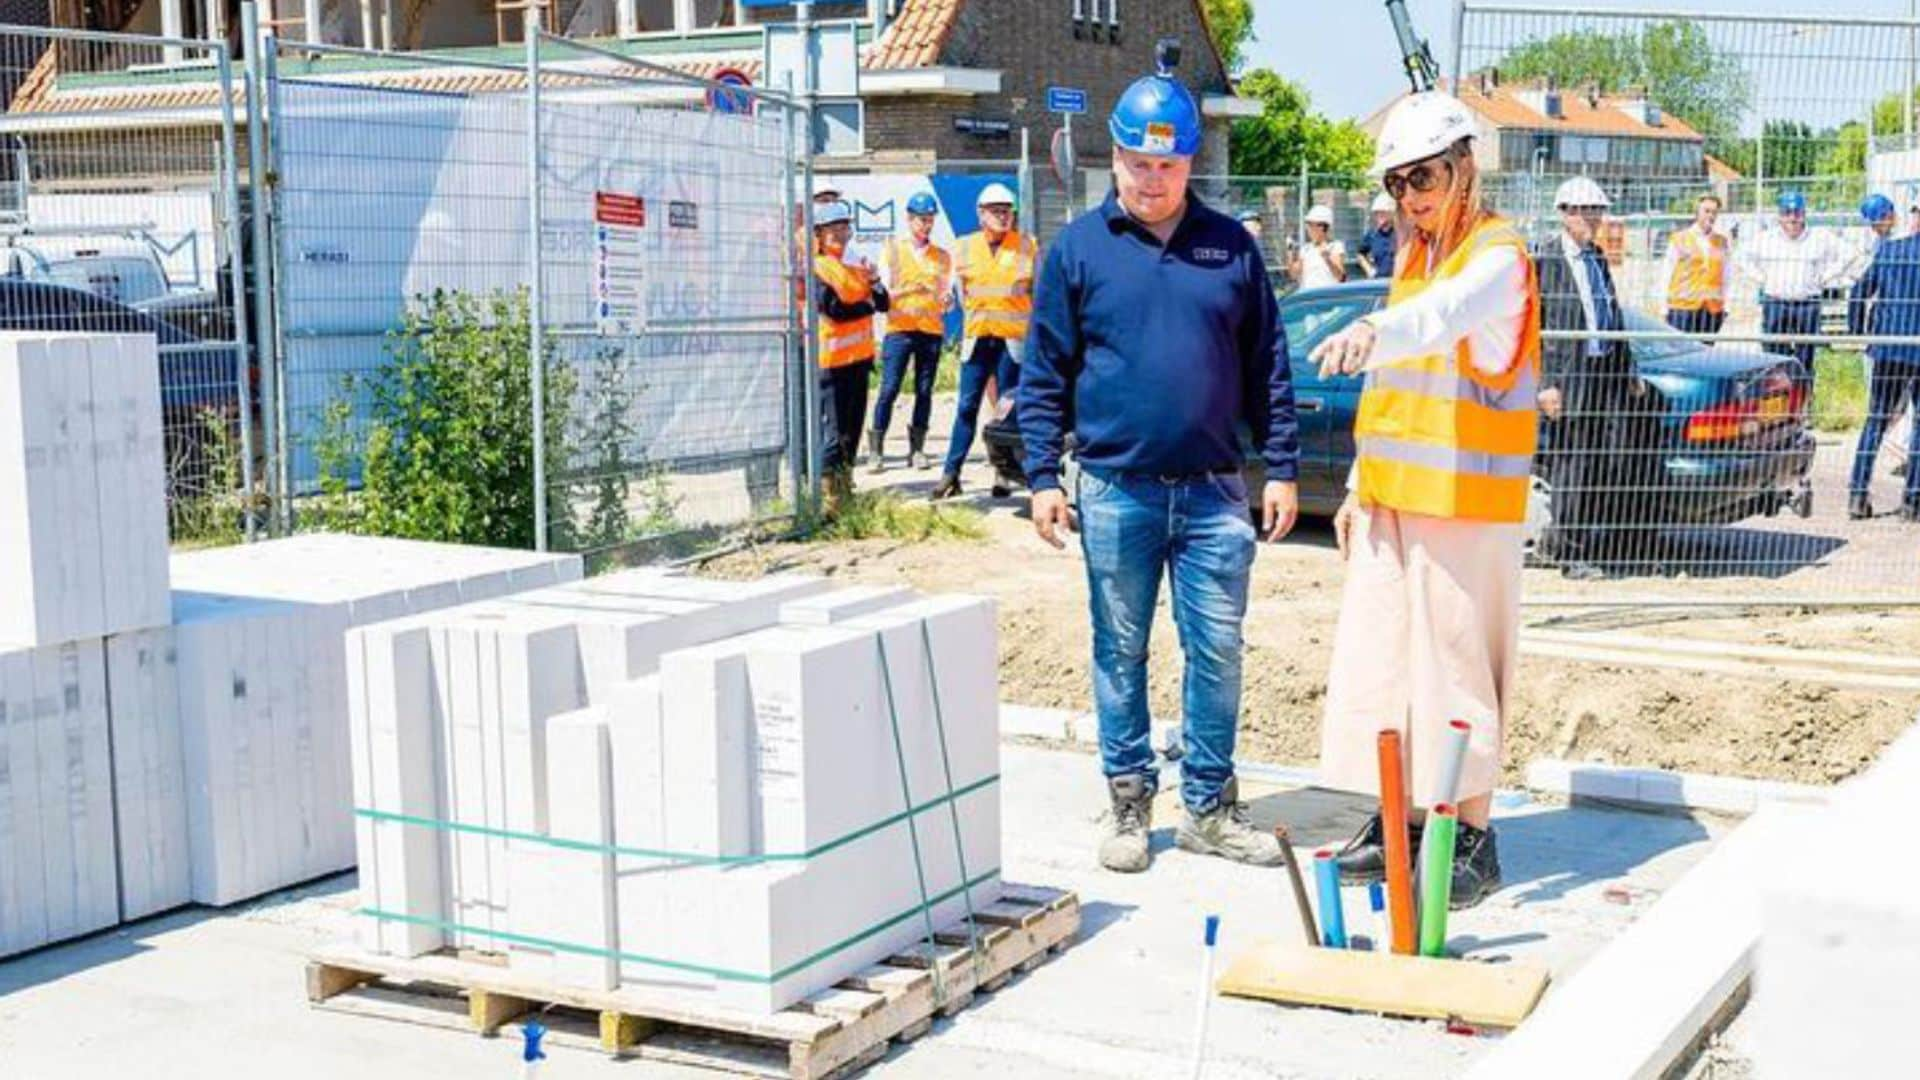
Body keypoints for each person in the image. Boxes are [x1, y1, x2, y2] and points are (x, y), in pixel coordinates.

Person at [1019, 51, 1301, 874]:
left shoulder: (1231, 250)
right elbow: (1044, 373)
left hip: (1215, 495)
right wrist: (1042, 477)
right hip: (1114, 491)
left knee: (1217, 651)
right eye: (1138, 163)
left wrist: (1280, 466)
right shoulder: (1077, 251)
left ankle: (1209, 806)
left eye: (1167, 164)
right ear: (1115, 158)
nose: (1151, 179)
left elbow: (1268, 367)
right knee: (1120, 651)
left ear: (1190, 163)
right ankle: (1130, 802)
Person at [1308, 90, 1542, 909]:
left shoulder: (1496, 257)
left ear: (1464, 166)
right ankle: (1402, 820)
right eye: (1400, 183)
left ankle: (1470, 837)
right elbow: (1398, 393)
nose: (1413, 196)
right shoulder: (1417, 258)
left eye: (1426, 176)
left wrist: (1377, 332)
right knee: (1382, 671)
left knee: (1452, 675)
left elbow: (1442, 323)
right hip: (1393, 501)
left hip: (1464, 509)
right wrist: (1353, 485)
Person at [1534, 176, 1635, 580]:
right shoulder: (1545, 262)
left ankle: (1574, 543)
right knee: (1571, 466)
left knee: (1600, 461)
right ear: (1565, 214)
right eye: (1586, 212)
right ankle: (1568, 553)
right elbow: (1535, 329)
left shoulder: (1595, 258)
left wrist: (1628, 370)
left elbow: (1613, 317)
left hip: (1601, 375)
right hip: (1567, 378)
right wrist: (1545, 384)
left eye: (1597, 212)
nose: (1594, 220)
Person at [931, 183, 1038, 500]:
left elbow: (1041, 293)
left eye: (1008, 211)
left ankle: (1003, 476)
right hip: (977, 339)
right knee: (966, 407)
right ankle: (951, 474)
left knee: (1007, 411)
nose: (1003, 216)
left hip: (1012, 344)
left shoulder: (1027, 246)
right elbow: (955, 291)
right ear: (981, 215)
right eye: (996, 211)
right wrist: (947, 298)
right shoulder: (963, 247)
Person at [812, 200, 889, 507]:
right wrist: (867, 305)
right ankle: (826, 499)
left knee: (851, 432)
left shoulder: (857, 265)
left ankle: (844, 491)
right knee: (833, 434)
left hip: (859, 360)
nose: (841, 234)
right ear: (819, 233)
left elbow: (884, 303)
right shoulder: (819, 266)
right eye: (833, 229)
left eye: (844, 227)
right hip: (832, 363)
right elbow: (835, 310)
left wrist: (874, 282)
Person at [1845, 210, 1920, 521]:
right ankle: (1912, 501)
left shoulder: (1890, 251)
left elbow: (1858, 293)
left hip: (1888, 348)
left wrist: (1858, 333)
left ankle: (1857, 493)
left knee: (1875, 419)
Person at [1735, 190, 1848, 393]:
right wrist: (1761, 278)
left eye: (1797, 213)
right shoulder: (1766, 239)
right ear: (1779, 215)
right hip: (1776, 303)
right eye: (1787, 213)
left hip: (1807, 304)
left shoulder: (1819, 237)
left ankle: (1803, 404)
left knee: (1805, 357)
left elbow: (1850, 254)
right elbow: (1740, 256)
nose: (1792, 218)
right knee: (1774, 357)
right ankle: (1777, 404)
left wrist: (1826, 277)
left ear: (1804, 213)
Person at [869, 191, 950, 474]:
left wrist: (946, 300)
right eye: (920, 219)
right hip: (899, 330)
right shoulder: (892, 249)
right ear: (909, 219)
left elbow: (945, 293)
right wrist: (908, 290)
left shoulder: (941, 256)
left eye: (929, 220)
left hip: (930, 331)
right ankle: (876, 450)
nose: (925, 225)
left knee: (924, 391)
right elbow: (883, 291)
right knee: (889, 389)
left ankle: (917, 450)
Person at [1663, 194, 1730, 337]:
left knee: (1706, 355)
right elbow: (1666, 273)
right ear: (1697, 212)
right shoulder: (1680, 239)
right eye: (1706, 211)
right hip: (1682, 308)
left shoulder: (1721, 242)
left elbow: (1726, 276)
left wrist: (1726, 306)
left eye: (1714, 212)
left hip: (1711, 310)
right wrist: (1664, 307)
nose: (1711, 216)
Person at [1289, 204, 1347, 289]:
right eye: (1308, 224)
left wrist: (1327, 259)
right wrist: (1290, 252)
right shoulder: (1306, 249)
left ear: (1323, 227)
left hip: (1327, 297)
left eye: (1311, 225)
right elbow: (1294, 275)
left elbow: (1341, 277)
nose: (1308, 228)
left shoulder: (1335, 246)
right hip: (1309, 298)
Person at [1355, 192, 1398, 279]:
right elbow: (1360, 254)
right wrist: (1369, 270)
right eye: (1376, 212)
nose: (1379, 215)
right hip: (1379, 283)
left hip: (1398, 282)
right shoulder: (1372, 234)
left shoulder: (1400, 233)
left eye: (1383, 212)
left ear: (1392, 213)